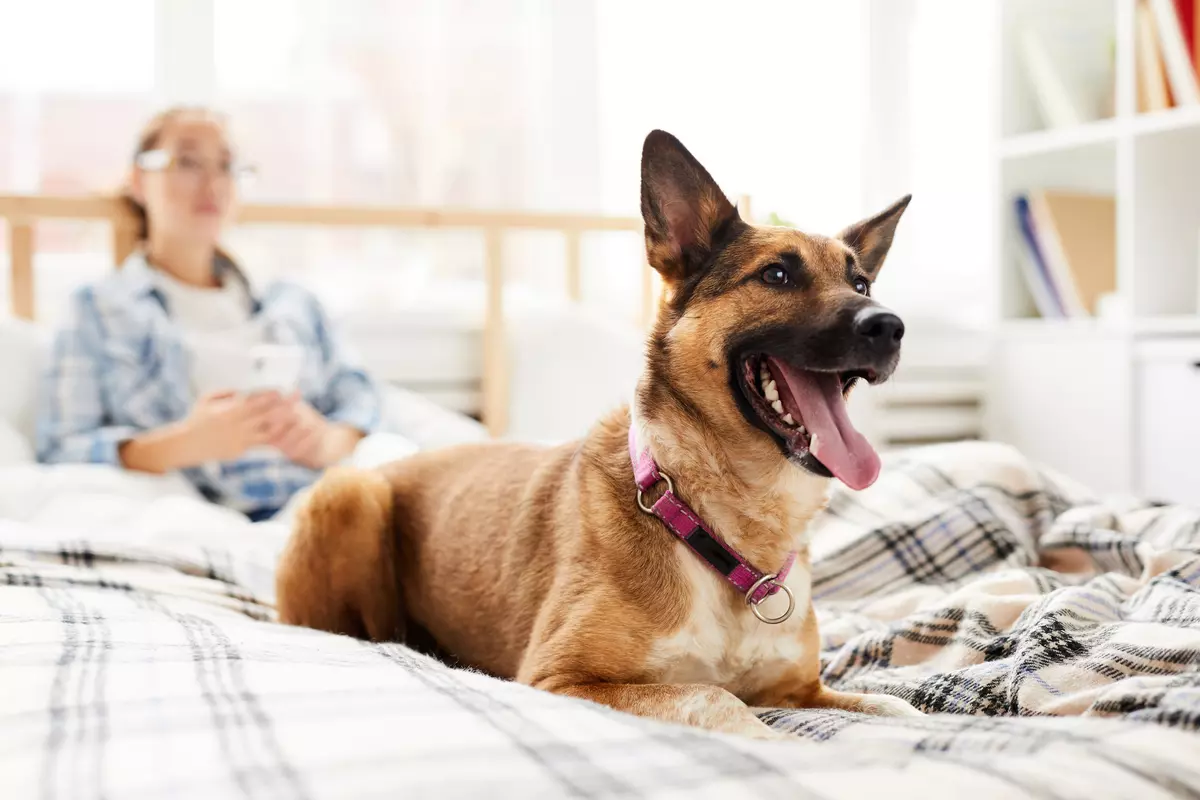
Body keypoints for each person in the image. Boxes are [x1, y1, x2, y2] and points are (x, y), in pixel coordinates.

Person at [35, 106, 381, 522]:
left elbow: (364, 401)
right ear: (139, 181)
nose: (212, 182)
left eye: (227, 165)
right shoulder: (97, 309)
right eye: (187, 162)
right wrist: (186, 443)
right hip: (186, 520)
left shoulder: (294, 303)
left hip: (314, 510)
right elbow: (61, 448)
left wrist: (327, 439)